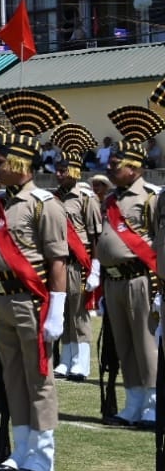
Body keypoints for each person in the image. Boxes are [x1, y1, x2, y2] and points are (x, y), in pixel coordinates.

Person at [0, 99, 69, 471]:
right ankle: (20, 449)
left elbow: (57, 261)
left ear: (18, 163)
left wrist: (57, 311)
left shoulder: (44, 205)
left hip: (30, 301)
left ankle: (42, 455)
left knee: (38, 378)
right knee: (12, 377)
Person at [97, 123, 159, 428]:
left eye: (115, 165)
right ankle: (133, 401)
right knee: (124, 344)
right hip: (113, 280)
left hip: (140, 280)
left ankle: (153, 402)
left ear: (133, 168)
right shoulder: (109, 200)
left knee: (146, 342)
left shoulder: (151, 198)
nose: (109, 169)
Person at [52, 138, 101, 382]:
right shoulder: (54, 198)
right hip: (60, 261)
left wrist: (95, 268)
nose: (58, 175)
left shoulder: (85, 197)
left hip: (78, 261)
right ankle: (66, 358)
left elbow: (95, 235)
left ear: (74, 171)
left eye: (63, 171)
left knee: (79, 312)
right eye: (57, 170)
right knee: (63, 310)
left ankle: (81, 362)